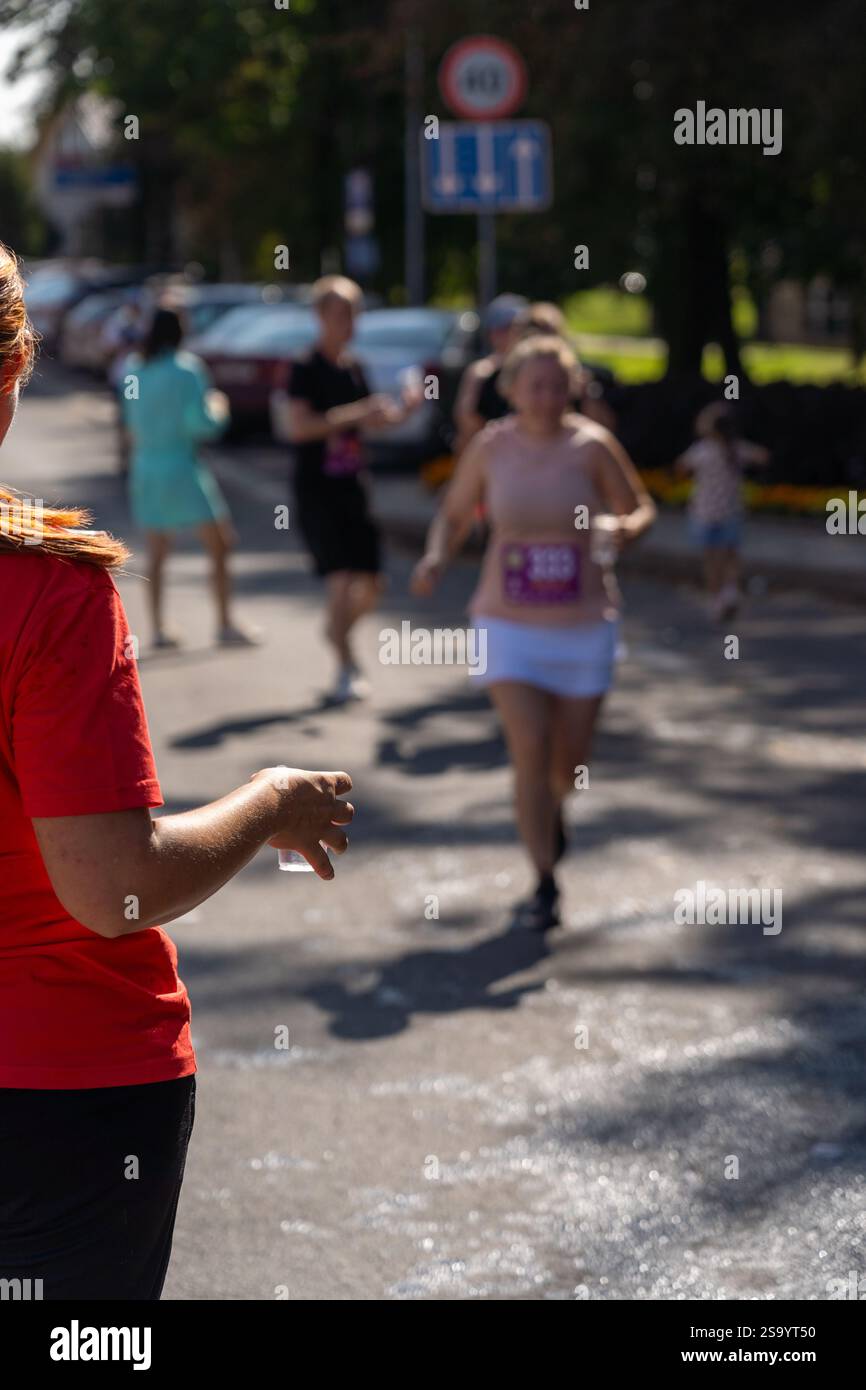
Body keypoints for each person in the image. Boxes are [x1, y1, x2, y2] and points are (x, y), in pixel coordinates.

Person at [0, 241, 355, 1300]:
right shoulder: (47, 593)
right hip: (61, 1090)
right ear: (15, 370)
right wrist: (274, 802)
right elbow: (115, 889)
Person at [412, 335, 655, 931]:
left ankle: (554, 807)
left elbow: (643, 507)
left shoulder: (591, 446)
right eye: (534, 385)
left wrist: (623, 528)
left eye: (557, 385)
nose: (546, 397)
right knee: (530, 749)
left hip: (583, 627)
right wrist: (438, 556)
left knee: (569, 764)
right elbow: (455, 511)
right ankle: (545, 878)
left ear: (571, 387)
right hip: (507, 624)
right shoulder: (492, 447)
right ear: (512, 389)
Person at [286, 274, 421, 704]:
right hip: (317, 488)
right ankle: (346, 666)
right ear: (320, 316)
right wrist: (355, 413)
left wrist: (403, 411)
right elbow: (300, 427)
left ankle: (335, 630)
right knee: (340, 578)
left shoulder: (354, 367)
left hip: (352, 485)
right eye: (342, 313)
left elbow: (370, 421)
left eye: (355, 313)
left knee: (373, 581)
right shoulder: (304, 368)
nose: (350, 322)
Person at [121, 305, 255, 649]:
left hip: (146, 468)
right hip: (181, 466)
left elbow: (130, 423)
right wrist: (220, 408)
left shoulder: (134, 370)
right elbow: (203, 424)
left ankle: (158, 627)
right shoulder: (188, 370)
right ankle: (224, 623)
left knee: (157, 552)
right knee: (220, 544)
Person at [675, 401, 770, 620]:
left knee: (711, 559)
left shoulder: (702, 451)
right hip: (731, 512)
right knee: (731, 556)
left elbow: (681, 466)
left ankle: (716, 599)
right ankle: (731, 592)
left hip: (705, 513)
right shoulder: (736, 449)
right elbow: (763, 456)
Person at [452, 293, 528, 452]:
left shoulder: (535, 368)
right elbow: (465, 419)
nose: (509, 334)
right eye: (503, 329)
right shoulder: (481, 372)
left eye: (515, 328)